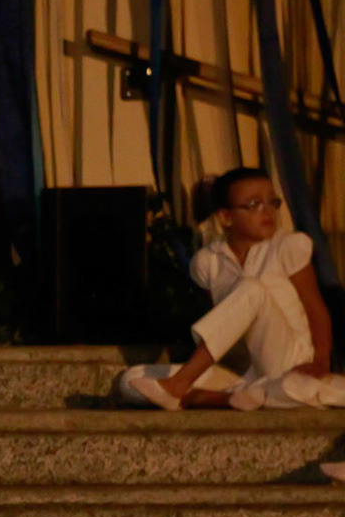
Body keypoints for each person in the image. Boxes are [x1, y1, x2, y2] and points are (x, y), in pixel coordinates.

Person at [119, 167, 345, 411]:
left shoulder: (287, 247)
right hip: (240, 372)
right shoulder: (209, 261)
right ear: (226, 217)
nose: (267, 211)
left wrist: (321, 360)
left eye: (273, 202)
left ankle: (184, 390)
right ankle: (232, 397)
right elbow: (222, 323)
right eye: (254, 204)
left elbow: (315, 307)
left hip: (287, 362)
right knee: (131, 379)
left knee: (252, 290)